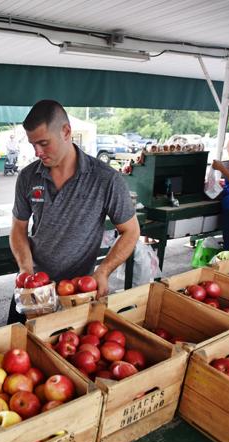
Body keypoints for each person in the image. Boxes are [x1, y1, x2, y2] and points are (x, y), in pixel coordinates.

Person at [8, 100, 140, 323]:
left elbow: (131, 231)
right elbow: (18, 228)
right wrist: (25, 270)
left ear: (66, 132)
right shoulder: (28, 177)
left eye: (43, 143)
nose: (37, 152)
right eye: (33, 145)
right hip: (35, 288)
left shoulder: (105, 179)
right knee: (17, 348)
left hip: (77, 292)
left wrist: (104, 270)